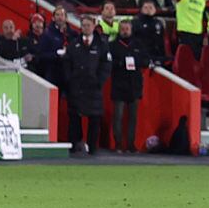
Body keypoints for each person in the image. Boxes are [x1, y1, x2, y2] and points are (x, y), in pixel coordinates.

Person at [63, 15, 111, 156]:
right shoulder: (74, 43)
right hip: (76, 86)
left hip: (93, 87)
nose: (86, 27)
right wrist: (70, 79)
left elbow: (106, 65)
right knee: (74, 118)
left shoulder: (101, 44)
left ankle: (92, 146)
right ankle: (75, 145)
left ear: (93, 26)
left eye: (88, 25)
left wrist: (99, 81)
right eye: (83, 25)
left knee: (94, 118)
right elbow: (67, 62)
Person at [109, 19, 147, 152]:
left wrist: (136, 62)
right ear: (119, 30)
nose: (125, 31)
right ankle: (118, 144)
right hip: (119, 84)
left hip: (134, 84)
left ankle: (131, 144)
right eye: (123, 29)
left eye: (127, 29)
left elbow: (145, 61)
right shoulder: (113, 45)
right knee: (118, 116)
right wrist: (120, 63)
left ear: (131, 30)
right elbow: (109, 64)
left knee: (133, 117)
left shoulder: (138, 44)